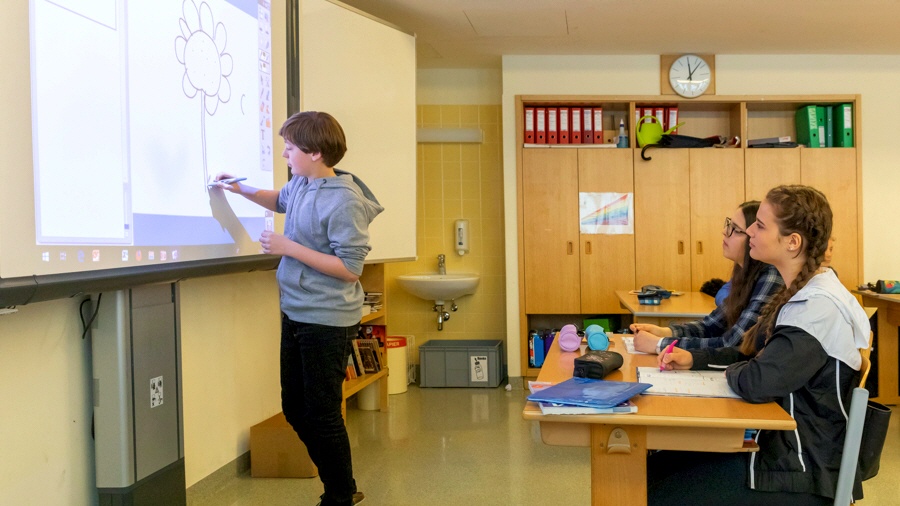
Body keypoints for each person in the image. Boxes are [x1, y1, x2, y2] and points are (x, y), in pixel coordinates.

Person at [651, 185, 871, 505]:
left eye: (761, 225)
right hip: (779, 452)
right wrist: (695, 359)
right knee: (656, 465)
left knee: (652, 492)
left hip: (800, 471)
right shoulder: (799, 291)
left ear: (792, 242)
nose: (751, 230)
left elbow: (758, 381)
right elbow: (750, 354)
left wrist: (740, 368)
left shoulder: (818, 307)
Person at [214, 111, 382, 506]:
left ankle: (339, 494)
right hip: (297, 312)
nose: (285, 153)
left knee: (322, 413)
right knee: (294, 408)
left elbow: (350, 270)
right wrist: (241, 189)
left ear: (315, 152)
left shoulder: (344, 201)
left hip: (326, 320)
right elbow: (279, 199)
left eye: (290, 147)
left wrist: (289, 248)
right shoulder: (302, 183)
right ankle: (341, 484)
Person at [631, 201, 783, 353]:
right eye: (729, 224)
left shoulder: (771, 275)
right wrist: (665, 332)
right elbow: (710, 326)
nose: (725, 231)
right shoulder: (744, 274)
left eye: (735, 229)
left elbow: (735, 342)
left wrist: (661, 344)